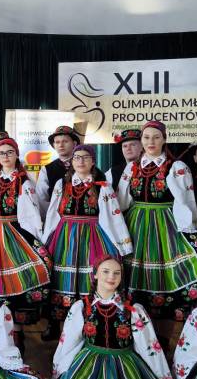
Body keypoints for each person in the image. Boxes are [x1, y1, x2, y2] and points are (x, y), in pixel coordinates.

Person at [51, 256, 173, 379]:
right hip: (88, 364)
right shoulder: (82, 307)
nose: (111, 277)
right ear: (95, 275)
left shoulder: (132, 310)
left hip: (125, 365)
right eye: (106, 271)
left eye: (117, 273)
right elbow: (68, 344)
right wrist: (59, 372)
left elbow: (149, 347)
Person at [116, 120, 197, 330]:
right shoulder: (132, 167)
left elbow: (186, 201)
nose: (151, 141)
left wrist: (189, 230)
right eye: (146, 137)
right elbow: (122, 200)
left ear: (164, 139)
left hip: (166, 221)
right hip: (136, 221)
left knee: (169, 266)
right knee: (135, 266)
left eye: (156, 137)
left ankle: (166, 321)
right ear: (141, 141)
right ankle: (137, 316)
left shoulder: (176, 167)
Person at [41, 144, 132, 340]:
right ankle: (62, 331)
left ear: (93, 162)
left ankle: (88, 326)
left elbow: (113, 215)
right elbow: (53, 214)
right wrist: (45, 240)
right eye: (77, 158)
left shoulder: (102, 186)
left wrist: (122, 245)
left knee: (90, 278)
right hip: (65, 237)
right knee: (61, 279)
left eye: (85, 157)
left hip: (93, 236)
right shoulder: (62, 184)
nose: (80, 161)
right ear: (71, 162)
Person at [0, 137, 50, 340]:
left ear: (16, 155)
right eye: (2, 153)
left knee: (15, 281)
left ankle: (16, 333)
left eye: (10, 152)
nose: (6, 156)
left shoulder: (24, 182)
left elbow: (31, 214)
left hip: (15, 232)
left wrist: (35, 239)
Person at [34, 125, 81, 219]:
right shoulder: (47, 169)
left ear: (74, 143)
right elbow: (41, 199)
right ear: (54, 145)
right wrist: (50, 219)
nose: (61, 145)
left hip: (82, 219)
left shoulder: (84, 165)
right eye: (57, 142)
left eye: (65, 141)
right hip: (56, 219)